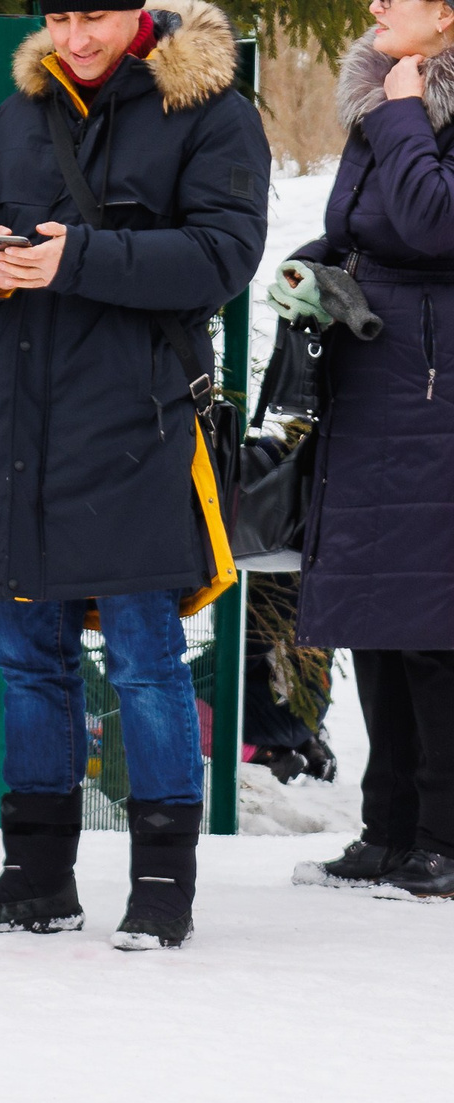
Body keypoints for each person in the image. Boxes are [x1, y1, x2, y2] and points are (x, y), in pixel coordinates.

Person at [0, 4, 268, 949]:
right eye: (62, 16)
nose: (76, 37)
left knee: (146, 663)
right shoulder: (23, 107)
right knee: (25, 659)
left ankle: (162, 887)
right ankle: (35, 878)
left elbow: (222, 256)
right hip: (18, 423)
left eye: (97, 17)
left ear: (140, 13)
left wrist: (77, 258)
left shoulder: (213, 109)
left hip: (138, 422)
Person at [277, 3, 454, 900]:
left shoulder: (404, 100)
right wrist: (320, 260)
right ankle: (387, 830)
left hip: (436, 383)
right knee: (381, 620)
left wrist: (399, 114)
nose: (378, 6)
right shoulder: (386, 89)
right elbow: (364, 219)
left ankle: (443, 836)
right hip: (378, 369)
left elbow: (434, 223)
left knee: (436, 628)